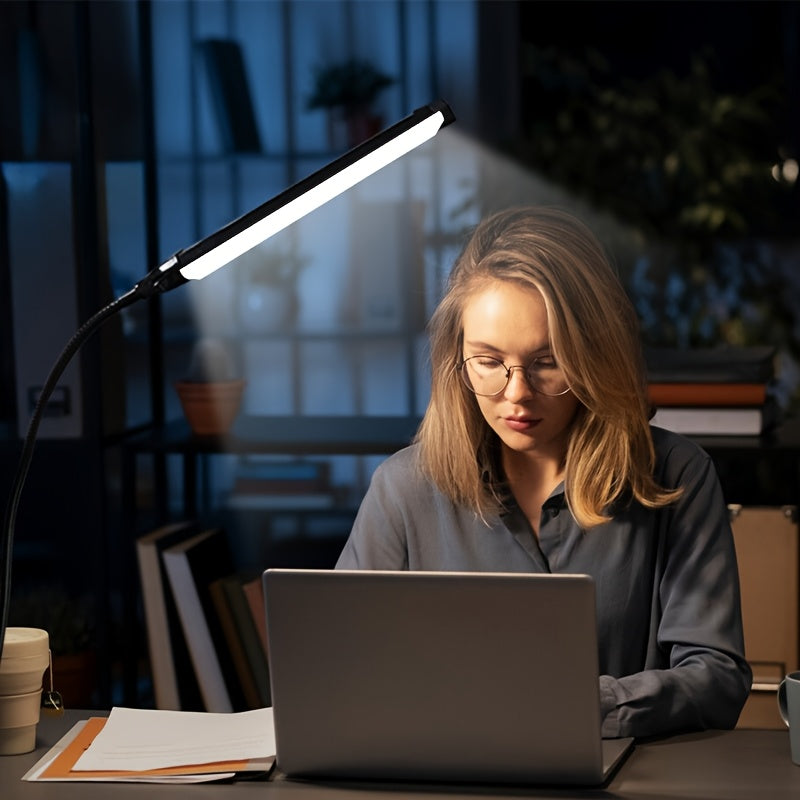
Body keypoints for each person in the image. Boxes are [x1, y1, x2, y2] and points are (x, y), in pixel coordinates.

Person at [336, 205, 752, 739]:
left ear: (594, 355)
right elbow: (343, 672)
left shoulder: (675, 474)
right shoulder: (403, 488)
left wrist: (578, 703)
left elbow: (716, 678)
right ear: (454, 359)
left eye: (547, 362)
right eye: (487, 361)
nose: (516, 394)